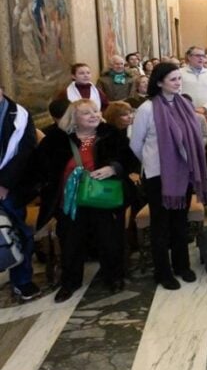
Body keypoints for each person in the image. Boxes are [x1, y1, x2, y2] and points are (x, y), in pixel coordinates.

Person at [36, 99, 132, 301]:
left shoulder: (110, 134)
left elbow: (130, 159)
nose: (95, 115)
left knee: (109, 240)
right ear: (74, 117)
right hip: (69, 203)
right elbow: (39, 166)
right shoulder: (57, 138)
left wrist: (113, 168)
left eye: (96, 111)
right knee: (71, 243)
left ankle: (114, 277)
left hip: (102, 200)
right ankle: (69, 282)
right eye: (87, 113)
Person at [130, 62, 207, 290]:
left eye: (179, 79)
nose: (177, 83)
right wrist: (155, 160)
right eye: (173, 79)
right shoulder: (147, 109)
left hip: (182, 172)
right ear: (159, 82)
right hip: (158, 175)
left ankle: (182, 266)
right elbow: (136, 144)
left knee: (180, 222)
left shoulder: (184, 104)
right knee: (161, 225)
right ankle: (163, 272)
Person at [0, 85, 40, 300]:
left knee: (17, 233)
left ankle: (22, 280)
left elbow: (25, 151)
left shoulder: (20, 115)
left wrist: (4, 184)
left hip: (11, 187)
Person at [180, 46, 207, 119]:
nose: (201, 58)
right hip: (187, 115)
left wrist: (204, 108)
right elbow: (177, 94)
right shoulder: (180, 73)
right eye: (198, 55)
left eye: (203, 56)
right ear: (189, 57)